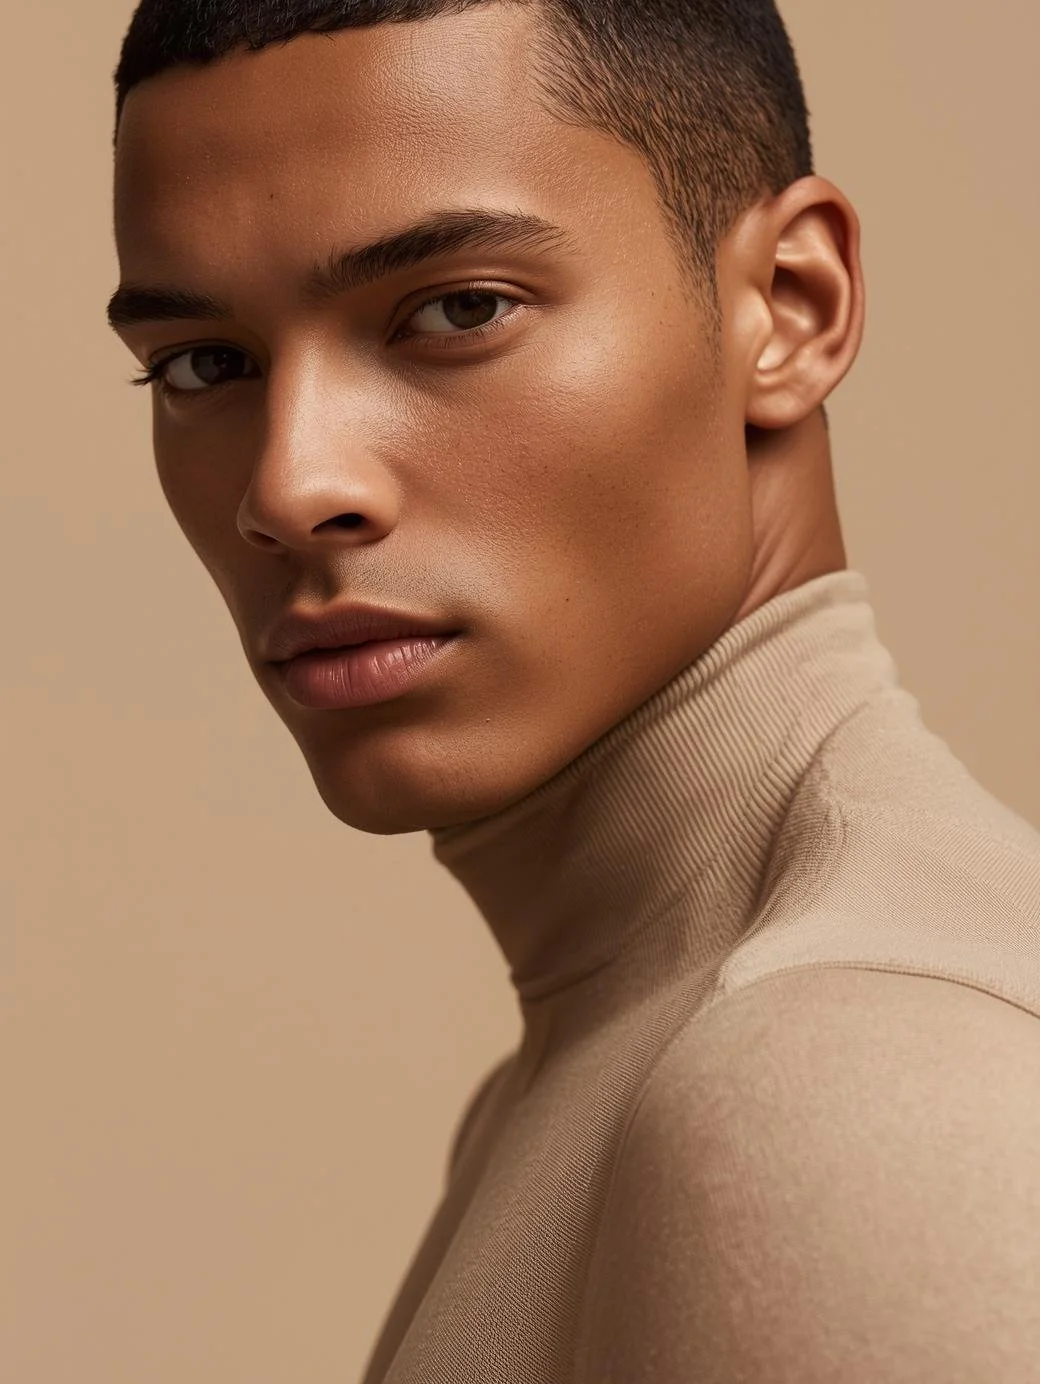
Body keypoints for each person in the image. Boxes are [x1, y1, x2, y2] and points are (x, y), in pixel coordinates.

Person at [107, 2, 1040, 1379]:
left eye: (457, 310)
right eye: (205, 364)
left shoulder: (838, 1087)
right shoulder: (622, 1051)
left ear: (794, 308)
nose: (289, 487)